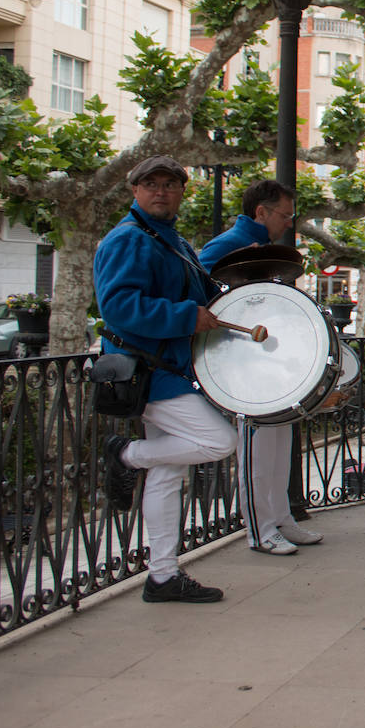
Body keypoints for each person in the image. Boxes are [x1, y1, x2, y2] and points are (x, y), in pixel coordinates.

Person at [95, 155, 237, 603]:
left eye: (170, 184)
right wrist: (185, 316)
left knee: (167, 473)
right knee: (219, 441)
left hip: (168, 368)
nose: (160, 191)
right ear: (135, 190)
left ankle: (161, 576)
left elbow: (203, 298)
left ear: (181, 191)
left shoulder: (169, 239)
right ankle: (126, 453)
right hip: (149, 374)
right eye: (151, 184)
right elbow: (118, 306)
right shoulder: (129, 239)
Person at [198, 179, 323, 555]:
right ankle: (259, 530)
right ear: (261, 213)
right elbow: (201, 290)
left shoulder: (264, 247)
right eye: (284, 215)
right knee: (255, 449)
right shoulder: (225, 247)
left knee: (278, 444)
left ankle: (282, 518)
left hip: (266, 361)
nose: (288, 222)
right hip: (242, 366)